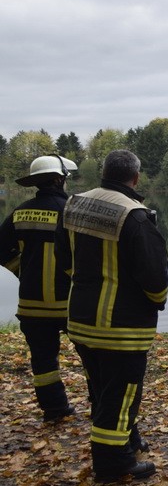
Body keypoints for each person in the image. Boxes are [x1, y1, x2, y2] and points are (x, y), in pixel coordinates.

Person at [55, 150, 168, 483]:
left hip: (81, 319)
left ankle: (128, 440)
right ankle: (113, 463)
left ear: (104, 172)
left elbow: (64, 256)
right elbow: (154, 275)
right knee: (121, 393)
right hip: (122, 326)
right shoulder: (134, 216)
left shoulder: (75, 204)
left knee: (103, 388)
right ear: (135, 177)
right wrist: (156, 301)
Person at [0, 155, 79, 421]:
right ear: (59, 179)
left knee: (44, 363)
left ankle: (55, 410)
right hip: (71, 303)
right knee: (93, 356)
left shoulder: (20, 212)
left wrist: (22, 271)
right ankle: (100, 406)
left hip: (32, 305)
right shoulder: (73, 210)